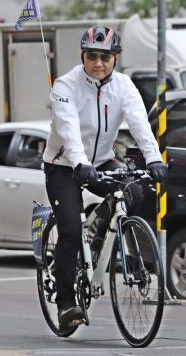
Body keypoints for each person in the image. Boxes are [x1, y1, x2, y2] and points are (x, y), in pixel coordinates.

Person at [42, 26, 168, 328]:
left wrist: (154, 158)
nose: (98, 63)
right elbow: (68, 128)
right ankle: (65, 304)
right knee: (71, 231)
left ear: (116, 58)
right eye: (92, 56)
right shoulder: (65, 85)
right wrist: (80, 163)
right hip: (63, 167)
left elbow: (139, 123)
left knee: (133, 191)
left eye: (105, 57)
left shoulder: (124, 86)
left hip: (101, 162)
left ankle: (98, 236)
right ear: (83, 56)